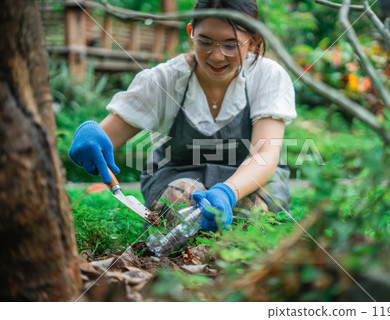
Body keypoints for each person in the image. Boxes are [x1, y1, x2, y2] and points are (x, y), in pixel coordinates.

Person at [68, 0, 296, 232]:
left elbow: (265, 155)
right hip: (177, 175)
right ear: (191, 33)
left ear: (254, 40)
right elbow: (105, 138)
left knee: (251, 212)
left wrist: (228, 192)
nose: (216, 56)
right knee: (184, 203)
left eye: (231, 45)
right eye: (205, 42)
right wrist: (89, 134)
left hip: (250, 178)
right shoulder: (165, 80)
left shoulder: (267, 76)